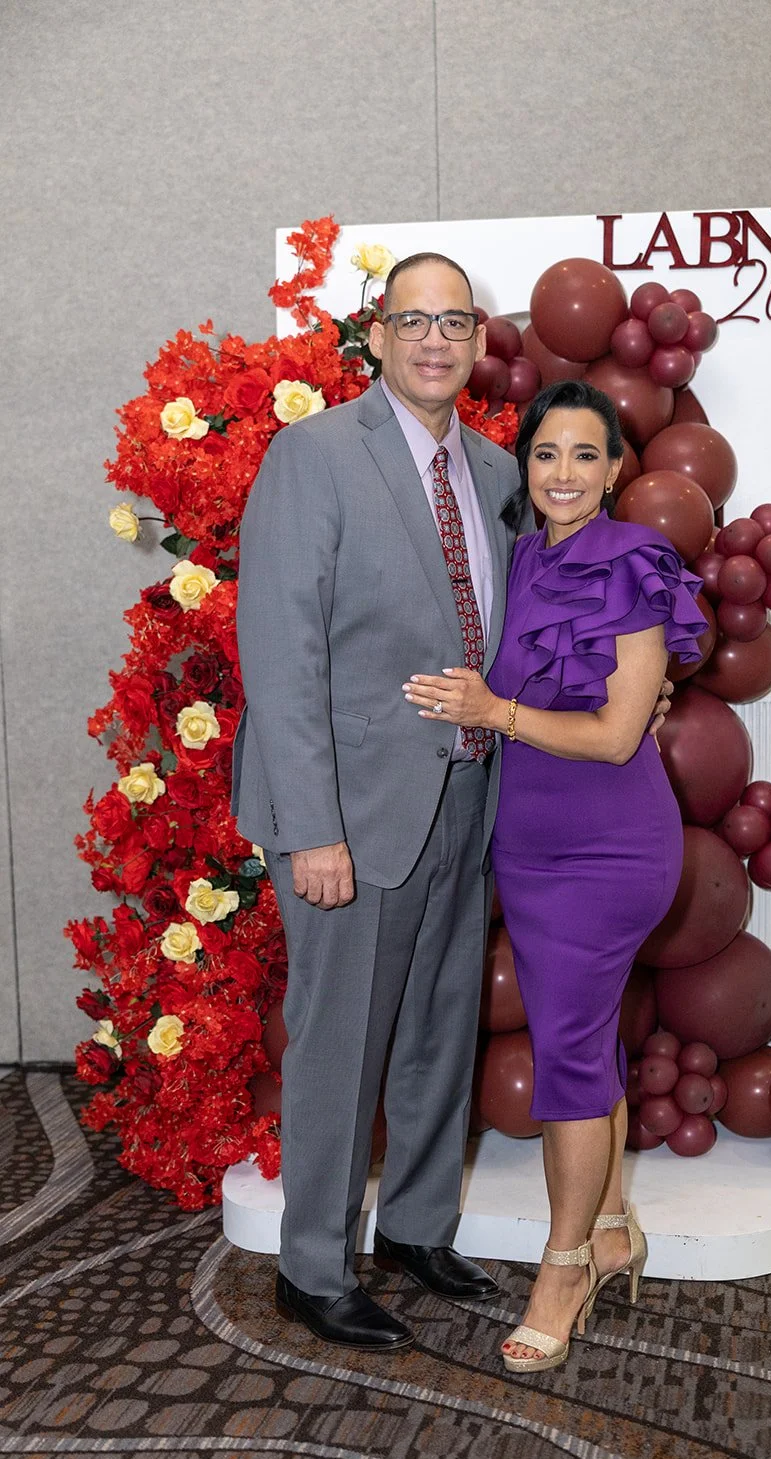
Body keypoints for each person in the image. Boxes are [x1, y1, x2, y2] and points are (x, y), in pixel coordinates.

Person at [233, 253, 519, 1349]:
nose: (435, 340)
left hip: (463, 796)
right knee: (339, 1038)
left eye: (454, 320)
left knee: (442, 1030)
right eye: (414, 321)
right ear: (377, 335)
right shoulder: (312, 456)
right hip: (349, 810)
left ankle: (414, 1225)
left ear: (478, 337)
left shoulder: (494, 471)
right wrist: (312, 828)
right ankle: (311, 1267)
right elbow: (281, 651)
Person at [402, 380, 706, 1373]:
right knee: (581, 1040)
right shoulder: (518, 559)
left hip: (610, 850)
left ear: (616, 468)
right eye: (546, 455)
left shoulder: (631, 559)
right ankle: (614, 1224)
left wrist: (496, 713)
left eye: (585, 455)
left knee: (568, 1061)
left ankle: (564, 1265)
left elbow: (619, 732)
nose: (564, 474)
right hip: (527, 848)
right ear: (521, 467)